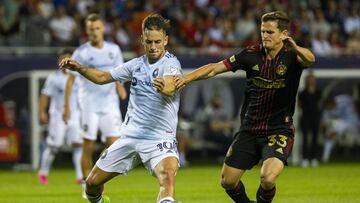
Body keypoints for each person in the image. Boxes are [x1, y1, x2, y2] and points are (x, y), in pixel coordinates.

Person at [175, 11, 315, 203]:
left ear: (283, 34)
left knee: (268, 178)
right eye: (263, 31)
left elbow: (310, 59)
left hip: (278, 129)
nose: (265, 35)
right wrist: (185, 78)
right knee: (227, 181)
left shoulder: (293, 56)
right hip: (250, 128)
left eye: (270, 32)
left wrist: (296, 47)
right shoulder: (250, 55)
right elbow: (215, 68)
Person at [60, 14, 182, 203]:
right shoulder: (136, 65)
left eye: (158, 41)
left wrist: (166, 87)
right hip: (130, 137)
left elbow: (171, 85)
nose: (153, 47)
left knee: (167, 177)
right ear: (142, 40)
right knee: (91, 184)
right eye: (149, 42)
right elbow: (102, 77)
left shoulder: (171, 64)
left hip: (160, 138)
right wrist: (80, 69)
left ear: (166, 40)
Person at [63, 13, 127, 185]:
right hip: (89, 104)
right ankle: (87, 184)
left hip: (109, 103)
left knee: (115, 145)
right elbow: (70, 79)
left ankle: (97, 176)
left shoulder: (114, 50)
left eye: (97, 28)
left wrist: (120, 85)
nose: (95, 32)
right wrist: (66, 106)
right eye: (91, 29)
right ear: (87, 30)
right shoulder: (81, 52)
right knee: (88, 144)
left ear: (103, 29)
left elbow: (119, 72)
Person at [38, 48, 83, 185]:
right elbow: (45, 96)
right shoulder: (53, 78)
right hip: (57, 115)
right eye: (62, 58)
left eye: (67, 58)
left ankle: (80, 176)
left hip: (75, 115)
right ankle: (43, 173)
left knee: (78, 145)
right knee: (54, 146)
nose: (65, 61)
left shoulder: (79, 77)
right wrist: (42, 112)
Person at [298, 72, 322, 167]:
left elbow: (320, 105)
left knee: (315, 138)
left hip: (315, 118)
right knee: (305, 139)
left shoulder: (318, 92)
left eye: (313, 80)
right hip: (305, 118)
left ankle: (314, 158)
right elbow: (300, 105)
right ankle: (305, 159)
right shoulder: (302, 93)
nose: (311, 82)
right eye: (310, 80)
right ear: (307, 81)